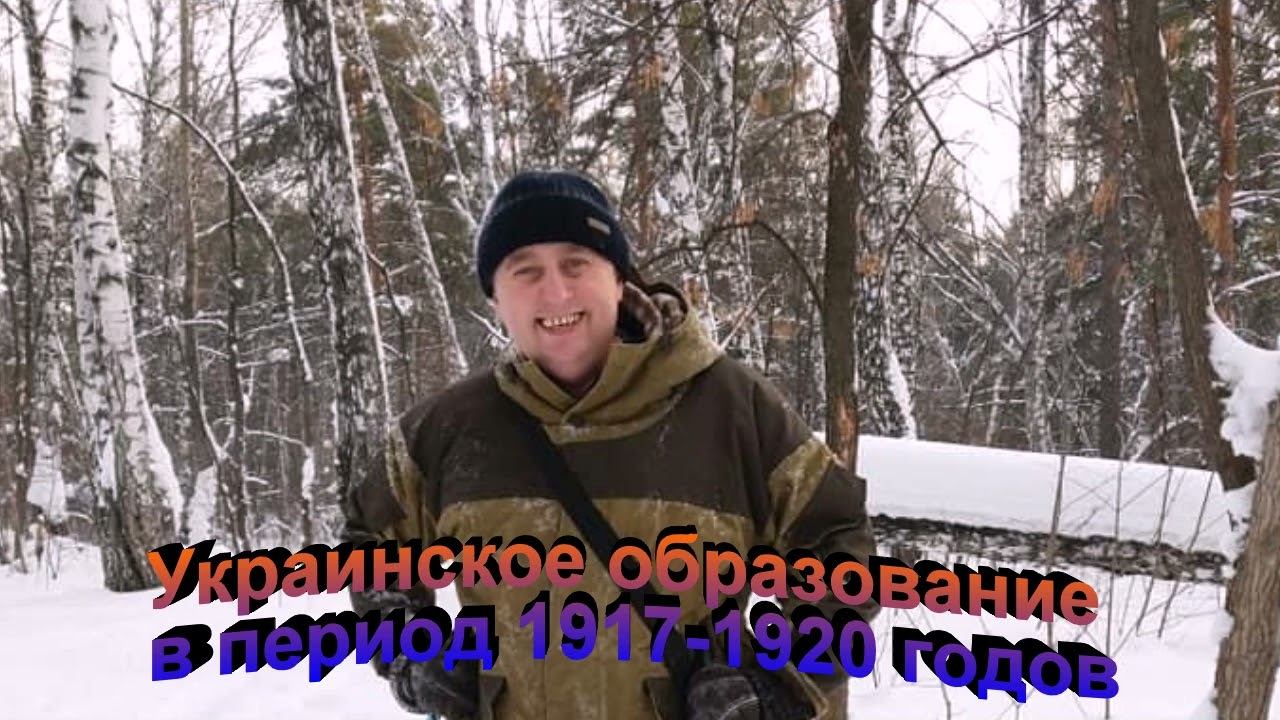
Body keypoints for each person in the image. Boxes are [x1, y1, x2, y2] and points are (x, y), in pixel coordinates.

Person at [344, 169, 880, 720]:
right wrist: (409, 650)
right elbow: (371, 543)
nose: (555, 292)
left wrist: (777, 682)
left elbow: (840, 543)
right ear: (496, 299)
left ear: (619, 279)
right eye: (525, 271)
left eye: (576, 264)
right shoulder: (449, 429)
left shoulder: (732, 410)